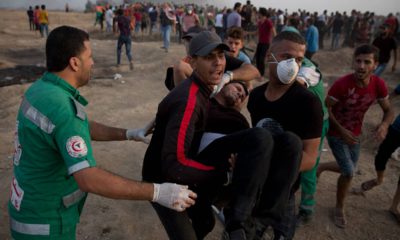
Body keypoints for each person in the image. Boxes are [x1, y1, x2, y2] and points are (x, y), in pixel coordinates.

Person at [8, 26, 196, 240]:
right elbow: (88, 178)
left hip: (26, 211)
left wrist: (128, 133)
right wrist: (157, 192)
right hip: (46, 225)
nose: (93, 62)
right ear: (74, 62)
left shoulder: (41, 89)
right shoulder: (62, 108)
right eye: (89, 56)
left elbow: (78, 127)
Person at [143, 30, 292, 240]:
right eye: (208, 57)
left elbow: (251, 71)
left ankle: (259, 218)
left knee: (205, 222)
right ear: (193, 62)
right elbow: (174, 165)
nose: (218, 63)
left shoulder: (205, 90)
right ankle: (237, 221)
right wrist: (226, 175)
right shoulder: (190, 99)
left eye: (220, 56)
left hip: (186, 168)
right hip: (164, 181)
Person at [247, 31, 323, 239]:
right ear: (268, 56)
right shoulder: (255, 97)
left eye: (298, 59)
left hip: (285, 189)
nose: (293, 65)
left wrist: (272, 169)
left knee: (283, 233)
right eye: (286, 57)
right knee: (250, 231)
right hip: (256, 184)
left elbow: (309, 157)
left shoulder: (308, 103)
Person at [317, 44, 394, 228]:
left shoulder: (378, 85)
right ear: (353, 62)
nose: (361, 66)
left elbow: (389, 110)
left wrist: (384, 125)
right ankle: (339, 207)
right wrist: (341, 131)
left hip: (355, 133)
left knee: (350, 167)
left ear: (375, 65)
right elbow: (326, 108)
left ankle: (321, 167)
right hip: (336, 133)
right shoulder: (342, 85)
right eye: (358, 61)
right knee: (349, 172)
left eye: (367, 62)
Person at [168, 26, 260, 92]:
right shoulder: (182, 65)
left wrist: (227, 77)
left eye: (194, 40)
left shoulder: (222, 59)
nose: (190, 44)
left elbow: (253, 72)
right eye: (188, 40)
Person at [295, 57, 330, 226]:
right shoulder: (295, 64)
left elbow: (297, 82)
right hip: (299, 122)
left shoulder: (308, 69)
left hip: (315, 125)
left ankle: (306, 209)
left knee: (309, 164)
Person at [352, 114, 400, 202]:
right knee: (381, 157)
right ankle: (379, 179)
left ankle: (395, 205)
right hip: (397, 129)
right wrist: (384, 124)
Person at [253, 7, 276, 79]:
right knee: (257, 58)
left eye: (259, 13)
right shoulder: (260, 22)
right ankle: (258, 73)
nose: (258, 14)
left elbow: (273, 32)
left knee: (261, 59)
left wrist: (275, 42)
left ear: (262, 13)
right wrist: (247, 33)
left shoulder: (268, 22)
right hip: (260, 43)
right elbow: (257, 32)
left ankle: (261, 75)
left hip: (266, 43)